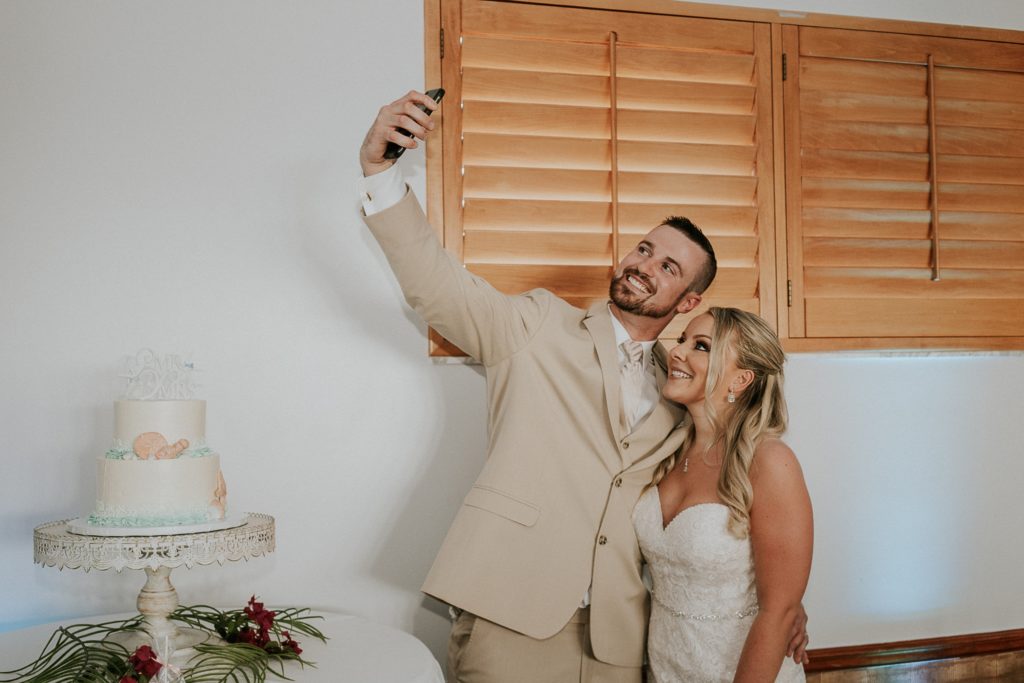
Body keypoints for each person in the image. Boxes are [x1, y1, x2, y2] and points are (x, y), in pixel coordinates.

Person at [358, 90, 808, 682]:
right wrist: (380, 173)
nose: (645, 264)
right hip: (510, 614)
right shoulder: (536, 324)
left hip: (621, 641)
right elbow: (436, 286)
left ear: (690, 302)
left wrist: (784, 603)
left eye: (668, 267)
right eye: (644, 249)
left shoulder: (684, 393)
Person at [633, 307, 813, 682]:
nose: (677, 352)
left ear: (741, 379)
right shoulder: (664, 451)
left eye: (701, 346)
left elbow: (778, 610)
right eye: (682, 339)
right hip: (666, 666)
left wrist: (792, 607)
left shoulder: (770, 462)